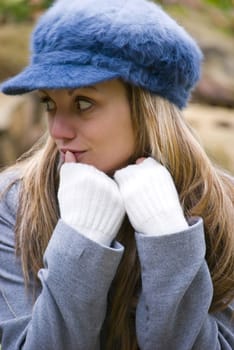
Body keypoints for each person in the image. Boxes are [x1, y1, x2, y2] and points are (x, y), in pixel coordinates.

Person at [0, 0, 234, 348]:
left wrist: (169, 238)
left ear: (148, 108)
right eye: (49, 103)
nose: (58, 130)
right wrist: (82, 238)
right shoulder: (12, 203)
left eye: (83, 103)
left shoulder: (225, 207)